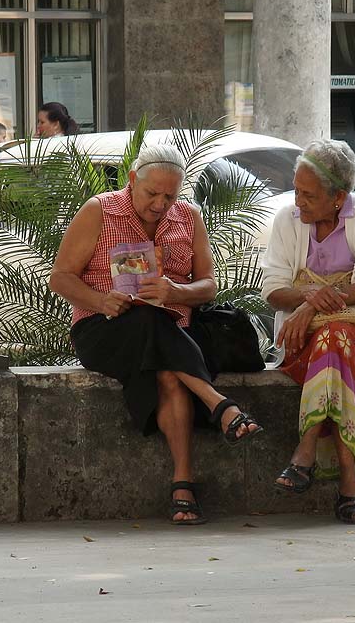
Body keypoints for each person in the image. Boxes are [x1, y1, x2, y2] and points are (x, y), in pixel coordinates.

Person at [49, 143, 263, 526]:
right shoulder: (100, 210)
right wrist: (101, 301)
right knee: (148, 321)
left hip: (174, 328)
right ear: (133, 180)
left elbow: (209, 286)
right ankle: (218, 403)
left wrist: (176, 292)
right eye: (152, 194)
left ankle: (183, 486)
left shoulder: (189, 217)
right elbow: (60, 277)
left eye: (170, 196)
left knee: (167, 366)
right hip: (106, 327)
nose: (161, 204)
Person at [261, 139, 355, 526]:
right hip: (302, 340)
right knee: (332, 343)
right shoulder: (286, 221)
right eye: (296, 191)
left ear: (339, 197)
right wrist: (311, 296)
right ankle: (350, 486)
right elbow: (272, 290)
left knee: (335, 337)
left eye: (308, 195)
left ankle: (304, 453)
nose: (298, 202)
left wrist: (309, 305)